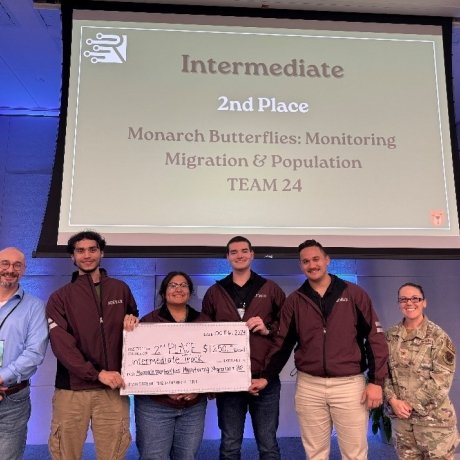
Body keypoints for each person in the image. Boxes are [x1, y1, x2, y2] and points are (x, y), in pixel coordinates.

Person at [250, 239, 388, 460]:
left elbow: (374, 338)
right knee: (315, 453)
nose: (311, 265)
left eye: (316, 259)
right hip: (309, 386)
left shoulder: (354, 294)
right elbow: (282, 343)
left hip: (349, 386)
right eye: (306, 261)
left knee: (355, 453)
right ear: (300, 266)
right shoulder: (295, 300)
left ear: (327, 260)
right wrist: (266, 376)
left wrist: (376, 382)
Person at [46, 231, 139, 460]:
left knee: (114, 454)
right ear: (72, 257)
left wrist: (134, 320)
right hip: (72, 391)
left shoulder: (121, 289)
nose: (87, 255)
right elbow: (62, 346)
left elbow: (133, 327)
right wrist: (97, 374)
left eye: (92, 249)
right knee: (66, 455)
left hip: (113, 391)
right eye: (80, 251)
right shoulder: (59, 298)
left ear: (101, 252)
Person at [202, 236, 286, 460]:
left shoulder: (271, 289)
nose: (239, 255)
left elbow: (288, 328)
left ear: (252, 255)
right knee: (229, 445)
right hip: (228, 382)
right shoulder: (215, 292)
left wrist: (267, 328)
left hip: (264, 380)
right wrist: (211, 379)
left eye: (243, 251)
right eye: (233, 252)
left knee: (268, 445)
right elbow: (205, 339)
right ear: (227, 257)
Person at [133, 271, 210, 459]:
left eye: (183, 285)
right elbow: (140, 367)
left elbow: (212, 366)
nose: (178, 289)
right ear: (163, 292)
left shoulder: (205, 323)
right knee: (153, 456)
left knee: (187, 456)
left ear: (190, 292)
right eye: (172, 285)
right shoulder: (147, 323)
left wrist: (200, 389)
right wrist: (163, 387)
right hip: (155, 406)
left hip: (193, 406)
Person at [384, 282, 459, 459]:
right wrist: (393, 400)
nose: (409, 303)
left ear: (424, 302)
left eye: (415, 298)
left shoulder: (438, 337)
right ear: (399, 303)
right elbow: (383, 373)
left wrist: (408, 404)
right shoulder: (389, 336)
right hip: (403, 425)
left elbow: (441, 381)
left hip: (434, 425)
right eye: (403, 299)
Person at [0, 247, 48, 460]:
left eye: (17, 265)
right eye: (5, 263)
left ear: (24, 270)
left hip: (12, 399)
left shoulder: (34, 306)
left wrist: (1, 377)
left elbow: (35, 352)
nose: (10, 269)